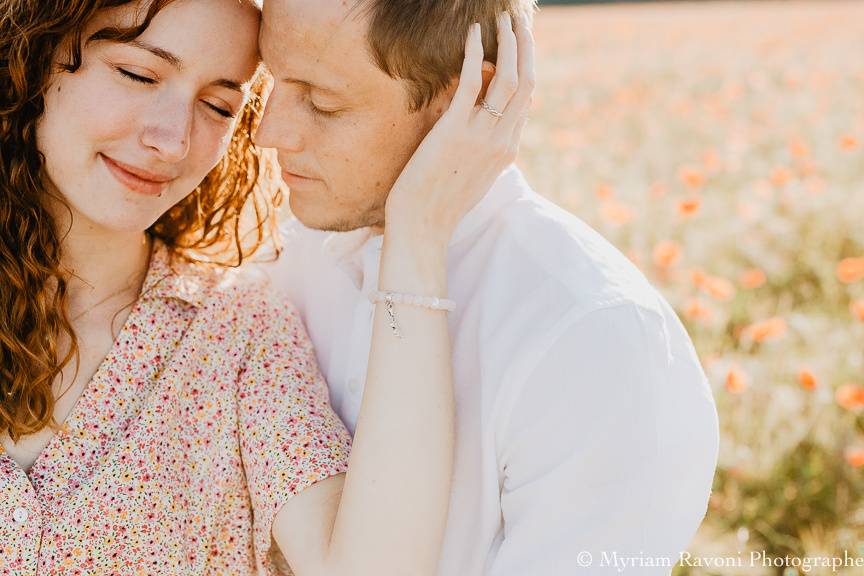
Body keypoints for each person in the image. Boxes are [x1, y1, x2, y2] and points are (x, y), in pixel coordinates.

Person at [0, 0, 528, 574]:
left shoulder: (239, 331)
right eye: (138, 74)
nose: (172, 140)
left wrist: (419, 232)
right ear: (35, 58)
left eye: (218, 105)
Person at [255, 0, 721, 574]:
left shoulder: (596, 345)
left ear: (472, 101)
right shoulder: (280, 254)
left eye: (323, 104)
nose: (267, 133)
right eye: (270, 82)